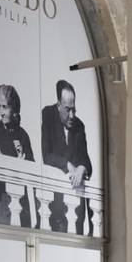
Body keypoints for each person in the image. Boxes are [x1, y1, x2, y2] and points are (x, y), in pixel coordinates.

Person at [40, 80, 93, 234]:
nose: (72, 115)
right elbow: (47, 155)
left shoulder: (79, 126)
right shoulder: (48, 114)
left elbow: (87, 162)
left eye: (74, 110)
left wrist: (82, 168)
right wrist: (68, 165)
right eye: (67, 109)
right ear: (58, 105)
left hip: (75, 205)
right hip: (54, 202)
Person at [0, 84, 34, 226]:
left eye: (5, 107)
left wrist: (24, 162)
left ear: (14, 107)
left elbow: (31, 164)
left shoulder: (22, 134)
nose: (1, 112)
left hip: (18, 199)